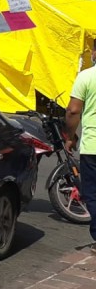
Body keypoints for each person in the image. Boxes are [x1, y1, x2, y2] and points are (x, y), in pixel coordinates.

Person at [65, 41, 96, 254]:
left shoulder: (86, 77)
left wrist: (70, 137)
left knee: (93, 193)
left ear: (94, 53)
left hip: (93, 147)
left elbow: (73, 111)